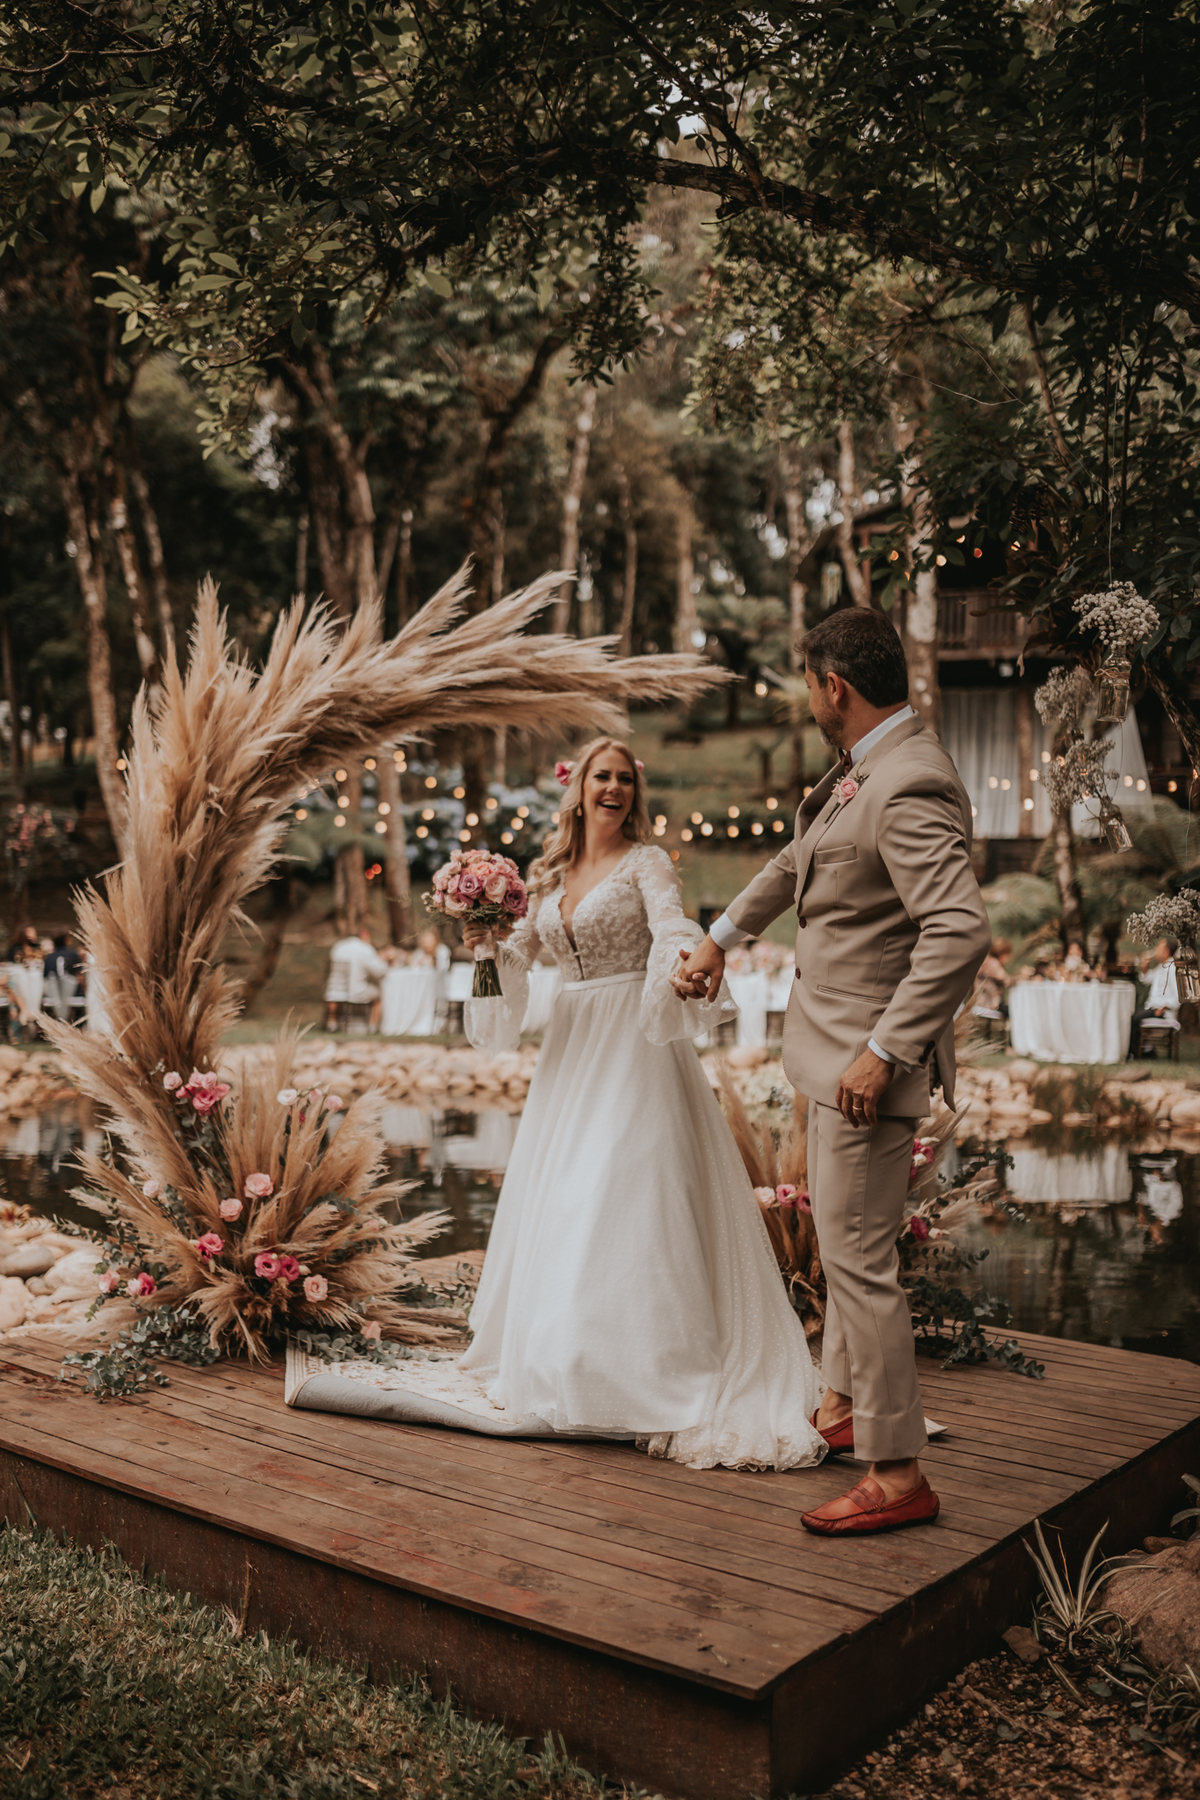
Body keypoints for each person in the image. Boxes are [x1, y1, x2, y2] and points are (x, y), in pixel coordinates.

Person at [335, 737, 825, 1471]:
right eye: (603, 776)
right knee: (565, 1194)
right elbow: (523, 960)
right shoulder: (551, 875)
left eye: (625, 778)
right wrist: (485, 942)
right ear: (580, 788)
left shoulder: (647, 862)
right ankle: (565, 1354)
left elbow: (669, 924)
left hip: (634, 1042)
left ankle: (644, 1367)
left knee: (622, 1189)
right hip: (572, 1049)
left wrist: (687, 961)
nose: (614, 788)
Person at [675, 609, 991, 1534]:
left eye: (810, 684)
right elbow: (798, 861)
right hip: (833, 1059)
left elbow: (958, 930)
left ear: (833, 686)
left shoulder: (909, 780)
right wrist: (722, 936)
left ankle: (897, 1473)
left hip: (864, 1069)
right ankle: (844, 1405)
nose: (810, 698)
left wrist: (885, 1050)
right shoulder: (867, 768)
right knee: (855, 1249)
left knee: (857, 1264)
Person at [323, 927, 390, 1031]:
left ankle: (332, 1023)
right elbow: (380, 971)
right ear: (364, 936)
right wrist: (383, 959)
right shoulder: (365, 949)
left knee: (333, 993)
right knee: (378, 995)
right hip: (357, 990)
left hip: (336, 990)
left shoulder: (338, 946)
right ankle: (373, 1027)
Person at [1129, 938, 1179, 1058]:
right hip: (1154, 1008)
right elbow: (1146, 979)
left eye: (1158, 948)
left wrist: (1164, 1008)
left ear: (1166, 952)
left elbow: (1179, 995)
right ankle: (1145, 1051)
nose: (1155, 950)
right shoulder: (1161, 967)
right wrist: (1145, 966)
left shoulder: (1173, 969)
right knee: (1133, 1015)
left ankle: (1136, 1053)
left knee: (1134, 1018)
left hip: (1163, 1012)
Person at [973, 939, 1013, 1029]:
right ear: (1004, 954)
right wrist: (1024, 976)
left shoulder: (986, 961)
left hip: (981, 1003)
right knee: (1017, 1011)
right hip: (989, 1005)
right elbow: (1007, 981)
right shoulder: (992, 963)